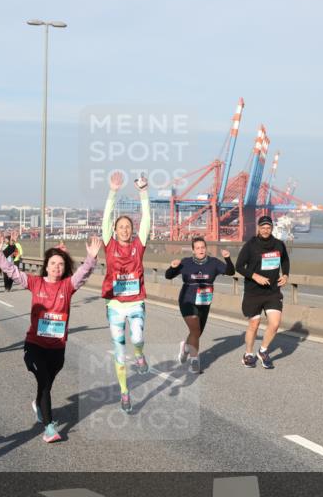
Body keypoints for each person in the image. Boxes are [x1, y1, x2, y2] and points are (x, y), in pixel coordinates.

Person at [0, 231, 102, 442]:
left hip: (57, 347)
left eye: (60, 264)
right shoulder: (35, 283)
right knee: (43, 380)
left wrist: (91, 258)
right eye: (53, 263)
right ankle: (49, 427)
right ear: (46, 265)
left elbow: (83, 274)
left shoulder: (67, 286)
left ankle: (38, 404)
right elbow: (13, 272)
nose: (56, 267)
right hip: (35, 344)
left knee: (46, 386)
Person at [101, 171, 151, 413]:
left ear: (132, 230)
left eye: (127, 226)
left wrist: (143, 192)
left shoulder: (138, 246)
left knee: (138, 337)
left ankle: (140, 354)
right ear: (115, 230)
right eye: (120, 226)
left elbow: (147, 221)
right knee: (119, 351)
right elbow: (105, 220)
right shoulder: (109, 245)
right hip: (115, 307)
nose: (124, 230)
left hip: (136, 302)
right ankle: (124, 392)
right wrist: (113, 192)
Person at [165, 237, 235, 373]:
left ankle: (185, 348)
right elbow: (168, 276)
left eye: (203, 247)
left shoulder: (213, 263)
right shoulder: (186, 262)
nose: (201, 250)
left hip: (204, 302)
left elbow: (230, 272)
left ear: (206, 248)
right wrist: (172, 267)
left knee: (196, 333)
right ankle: (195, 361)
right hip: (187, 300)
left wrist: (227, 258)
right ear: (193, 250)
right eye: (197, 248)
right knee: (195, 330)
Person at [235, 215, 290, 369]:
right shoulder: (250, 245)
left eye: (268, 228)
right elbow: (239, 266)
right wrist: (255, 276)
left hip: (272, 291)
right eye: (263, 228)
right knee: (254, 324)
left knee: (275, 323)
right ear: (258, 228)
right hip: (254, 292)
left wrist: (285, 275)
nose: (266, 230)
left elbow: (285, 261)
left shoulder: (279, 245)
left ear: (271, 228)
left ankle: (263, 350)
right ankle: (248, 354)